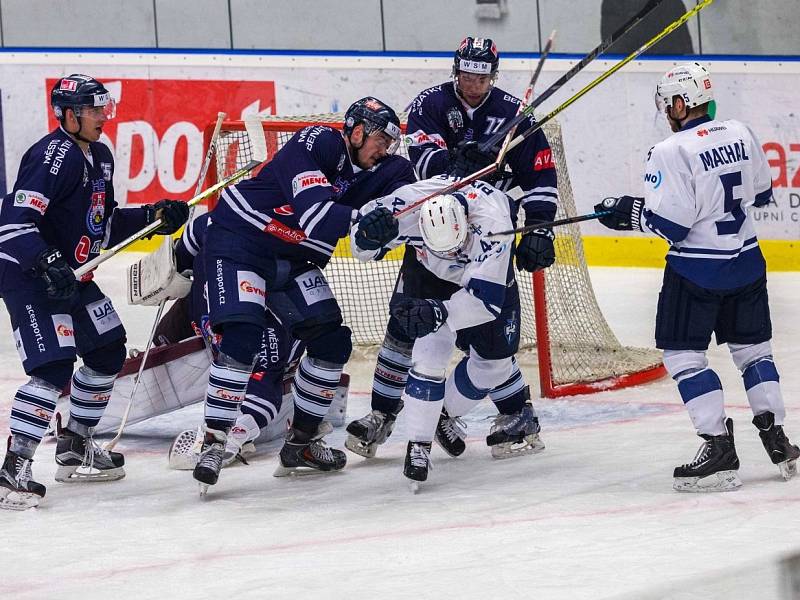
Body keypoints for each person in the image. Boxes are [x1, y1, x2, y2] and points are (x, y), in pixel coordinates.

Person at [347, 36, 558, 459]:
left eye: (482, 78)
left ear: (493, 77)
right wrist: (455, 164)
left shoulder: (515, 115)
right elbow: (424, 165)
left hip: (486, 237)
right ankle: (382, 415)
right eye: (466, 75)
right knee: (404, 326)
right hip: (436, 231)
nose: (473, 84)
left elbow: (541, 176)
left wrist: (538, 229)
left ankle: (517, 413)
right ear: (455, 70)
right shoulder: (430, 103)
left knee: (493, 342)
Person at [192, 97, 416, 491]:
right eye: (381, 138)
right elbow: (315, 216)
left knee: (331, 342)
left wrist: (444, 180)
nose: (386, 148)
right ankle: (213, 441)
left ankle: (302, 444)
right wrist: (366, 220)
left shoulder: (386, 168)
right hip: (242, 240)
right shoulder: (318, 143)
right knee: (242, 341)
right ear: (357, 131)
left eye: (392, 142)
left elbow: (414, 198)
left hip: (293, 258)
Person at [594, 62, 799, 492]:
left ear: (681, 103)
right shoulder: (741, 132)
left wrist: (629, 212)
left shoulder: (670, 151)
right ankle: (776, 437)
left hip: (697, 272)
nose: (667, 111)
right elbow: (762, 193)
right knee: (755, 353)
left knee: (684, 358)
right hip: (746, 263)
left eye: (669, 103)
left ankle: (719, 446)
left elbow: (672, 225)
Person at [0, 74, 189, 510]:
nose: (103, 116)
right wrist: (45, 261)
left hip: (73, 275)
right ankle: (15, 465)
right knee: (53, 367)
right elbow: (13, 226)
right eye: (93, 110)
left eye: (104, 108)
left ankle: (75, 444)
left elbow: (101, 225)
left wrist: (154, 216)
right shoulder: (52, 155)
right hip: (31, 275)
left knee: (106, 350)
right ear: (68, 115)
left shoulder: (100, 156)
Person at [351, 175, 545, 489]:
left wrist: (442, 311)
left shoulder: (494, 223)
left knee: (494, 364)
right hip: (429, 274)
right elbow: (359, 246)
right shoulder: (408, 205)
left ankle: (438, 413)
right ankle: (418, 446)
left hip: (480, 281)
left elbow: (486, 304)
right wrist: (365, 238)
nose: (451, 256)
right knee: (428, 356)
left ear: (466, 223)